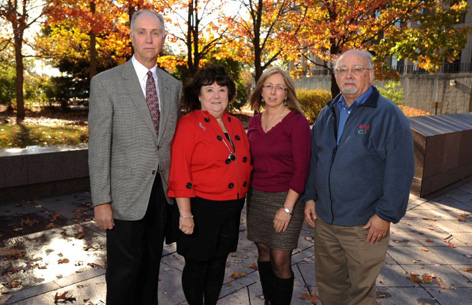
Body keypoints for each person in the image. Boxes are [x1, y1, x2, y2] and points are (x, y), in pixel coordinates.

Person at [302, 50, 415, 305]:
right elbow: (315, 159)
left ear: (371, 75)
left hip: (363, 227)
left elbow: (401, 169)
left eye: (357, 69)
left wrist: (385, 215)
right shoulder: (327, 112)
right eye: (342, 70)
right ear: (335, 76)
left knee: (360, 295)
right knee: (330, 290)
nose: (348, 75)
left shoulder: (387, 114)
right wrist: (310, 197)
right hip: (326, 223)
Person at [87, 10, 181, 305]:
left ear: (164, 38)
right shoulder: (106, 83)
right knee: (123, 277)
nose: (149, 39)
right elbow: (99, 146)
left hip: (160, 197)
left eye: (155, 33)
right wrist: (101, 201)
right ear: (131, 36)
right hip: (123, 198)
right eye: (142, 32)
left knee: (150, 272)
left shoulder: (173, 86)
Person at [168, 65, 252, 305]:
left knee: (218, 262)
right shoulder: (189, 124)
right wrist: (185, 214)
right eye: (209, 89)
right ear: (199, 94)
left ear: (229, 94)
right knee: (197, 264)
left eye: (222, 89)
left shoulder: (235, 124)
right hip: (201, 207)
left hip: (231, 208)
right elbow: (180, 170)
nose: (216, 95)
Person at [245, 67, 311, 305]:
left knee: (280, 259)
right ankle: (269, 300)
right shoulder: (253, 122)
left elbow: (302, 169)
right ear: (261, 90)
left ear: (287, 93)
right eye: (268, 86)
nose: (273, 92)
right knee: (263, 252)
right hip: (257, 197)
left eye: (279, 87)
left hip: (287, 197)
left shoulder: (297, 122)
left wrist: (287, 209)